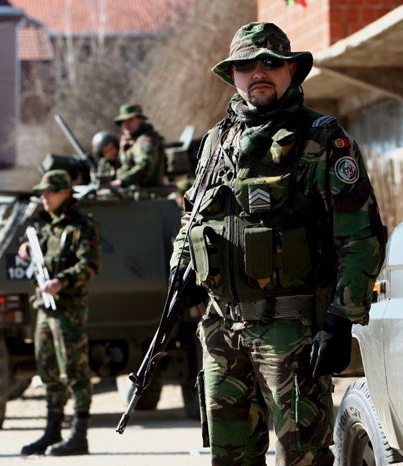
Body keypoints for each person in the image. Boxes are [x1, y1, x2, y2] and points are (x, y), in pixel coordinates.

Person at [170, 22, 387, 465]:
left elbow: (361, 238)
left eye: (270, 62)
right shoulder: (216, 142)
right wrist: (181, 268)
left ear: (291, 70)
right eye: (246, 65)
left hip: (291, 334)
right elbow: (192, 218)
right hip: (221, 333)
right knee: (230, 457)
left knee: (301, 457)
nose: (258, 73)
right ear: (233, 75)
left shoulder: (324, 140)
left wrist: (341, 320)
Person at [18, 169, 102, 456]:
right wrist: (27, 249)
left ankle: (80, 435)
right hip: (45, 309)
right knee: (48, 370)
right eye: (42, 192)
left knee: (75, 371)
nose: (43, 197)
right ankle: (52, 431)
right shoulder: (45, 226)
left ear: (65, 193)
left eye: (49, 192)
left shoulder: (81, 226)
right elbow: (37, 251)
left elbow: (90, 265)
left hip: (69, 309)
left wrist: (62, 281)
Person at [110, 103, 166, 188]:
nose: (126, 125)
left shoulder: (146, 140)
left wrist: (122, 181)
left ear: (141, 120)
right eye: (123, 121)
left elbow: (145, 167)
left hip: (147, 194)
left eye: (130, 120)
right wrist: (122, 152)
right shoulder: (130, 142)